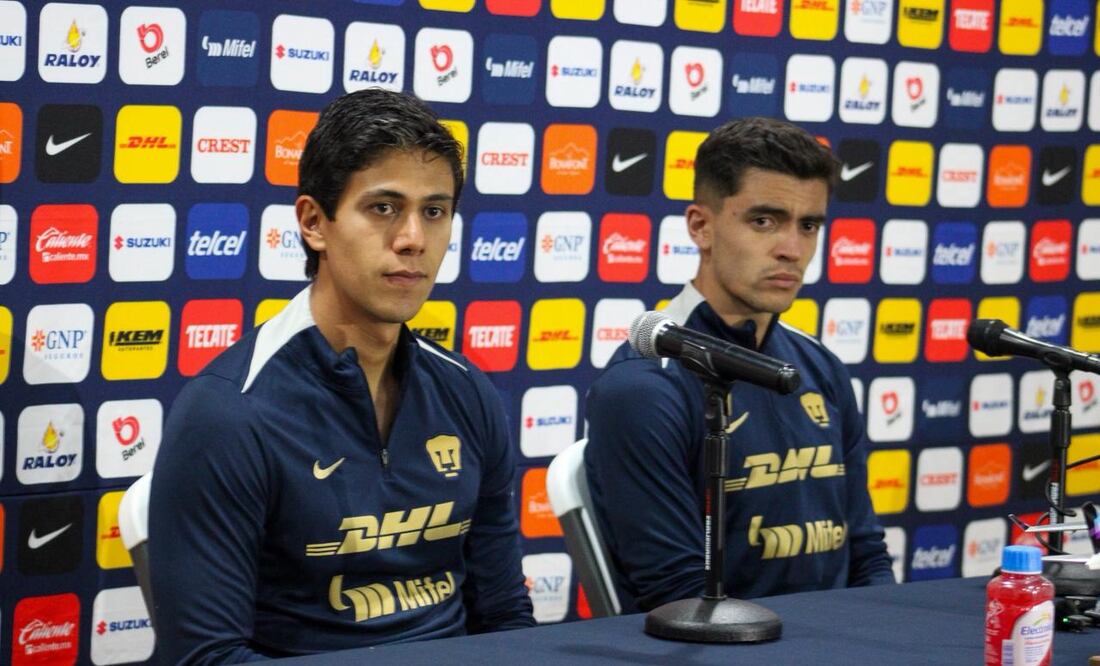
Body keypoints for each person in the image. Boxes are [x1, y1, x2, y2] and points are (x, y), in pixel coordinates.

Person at [149, 89, 534, 663]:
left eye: (434, 210)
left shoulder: (468, 393)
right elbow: (209, 657)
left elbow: (504, 618)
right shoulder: (229, 414)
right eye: (383, 207)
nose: (413, 239)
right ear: (313, 223)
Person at [584, 117, 895, 612]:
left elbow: (866, 553)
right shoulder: (642, 388)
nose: (791, 249)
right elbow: (677, 593)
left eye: (808, 225)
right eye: (763, 221)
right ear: (701, 227)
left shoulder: (822, 367)